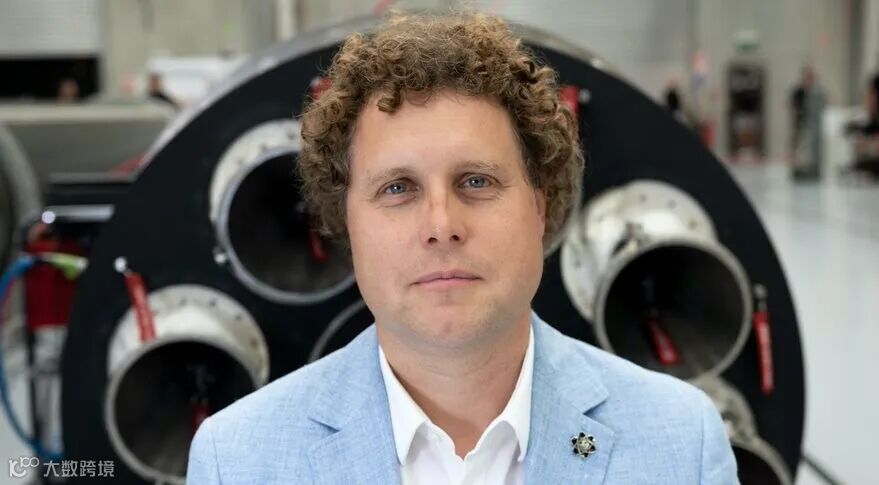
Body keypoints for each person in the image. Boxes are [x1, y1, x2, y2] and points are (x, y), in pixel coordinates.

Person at [187, 11, 738, 484]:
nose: (442, 225)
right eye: (397, 189)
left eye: (476, 181)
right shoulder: (237, 461)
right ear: (346, 221)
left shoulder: (680, 444)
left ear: (539, 206)